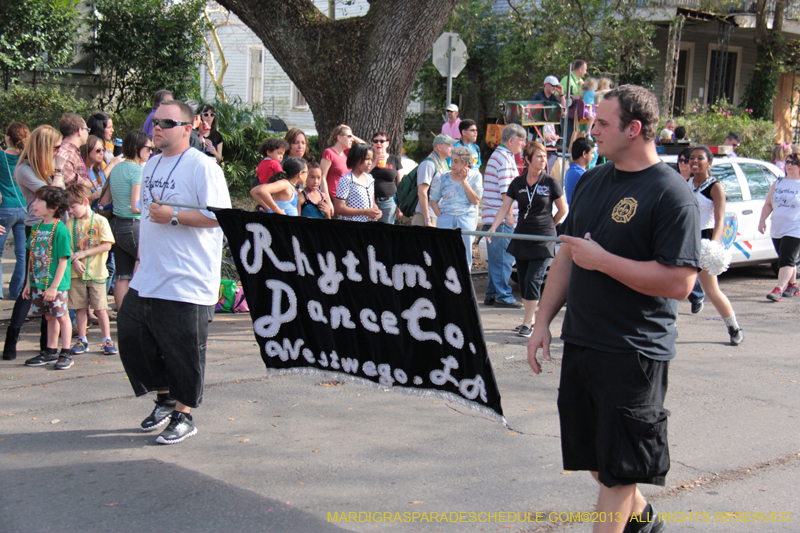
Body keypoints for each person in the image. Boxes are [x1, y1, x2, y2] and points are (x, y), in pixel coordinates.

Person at [528, 85, 701, 533]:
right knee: (596, 458)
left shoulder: (670, 193)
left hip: (633, 352)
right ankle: (644, 522)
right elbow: (567, 256)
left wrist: (604, 261)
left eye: (603, 124)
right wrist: (542, 321)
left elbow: (680, 282)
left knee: (618, 471)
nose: (593, 132)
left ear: (634, 128)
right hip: (583, 342)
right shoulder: (593, 180)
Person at [117, 99, 232, 445]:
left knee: (184, 351)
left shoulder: (203, 166)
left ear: (187, 127)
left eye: (167, 123)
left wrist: (175, 216)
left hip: (187, 277)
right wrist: (141, 257)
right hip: (150, 272)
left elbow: (221, 216)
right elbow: (146, 216)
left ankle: (184, 414)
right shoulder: (151, 164)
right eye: (156, 122)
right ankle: (166, 398)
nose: (158, 128)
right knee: (133, 337)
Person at [487, 142, 566, 337]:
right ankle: (528, 320)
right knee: (523, 280)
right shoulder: (517, 183)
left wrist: (550, 227)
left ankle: (529, 323)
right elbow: (505, 207)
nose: (543, 160)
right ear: (528, 160)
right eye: (539, 156)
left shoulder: (550, 182)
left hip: (543, 238)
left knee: (533, 279)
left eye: (545, 156)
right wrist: (493, 228)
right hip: (522, 236)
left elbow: (562, 209)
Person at [3, 125, 64, 361]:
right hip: (37, 229)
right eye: (55, 147)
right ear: (44, 147)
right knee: (31, 287)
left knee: (51, 286)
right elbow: (54, 196)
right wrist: (59, 170)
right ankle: (12, 339)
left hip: (56, 228)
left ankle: (47, 346)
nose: (58, 151)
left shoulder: (44, 167)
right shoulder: (24, 169)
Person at [689, 145, 744, 345]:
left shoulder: (715, 187)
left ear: (709, 162)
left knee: (711, 290)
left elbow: (720, 220)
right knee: (673, 286)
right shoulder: (686, 183)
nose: (694, 161)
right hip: (687, 239)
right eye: (692, 158)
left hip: (705, 239)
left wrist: (713, 245)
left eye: (700, 158)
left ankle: (733, 327)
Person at [100, 131, 152, 310]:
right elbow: (135, 206)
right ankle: (142, 313)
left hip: (116, 226)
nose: (151, 152)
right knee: (147, 266)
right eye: (148, 148)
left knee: (122, 275)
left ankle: (123, 316)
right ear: (137, 148)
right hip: (133, 226)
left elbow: (104, 201)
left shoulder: (116, 168)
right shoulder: (137, 171)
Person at [22, 186, 72, 369]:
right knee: (49, 316)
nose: (34, 204)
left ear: (53, 207)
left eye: (39, 200)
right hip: (38, 282)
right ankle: (50, 351)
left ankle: (66, 352)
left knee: (62, 316)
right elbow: (32, 256)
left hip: (55, 285)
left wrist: (54, 287)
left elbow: (63, 261)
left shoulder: (60, 230)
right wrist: (28, 282)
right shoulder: (36, 228)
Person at [66, 184, 116, 356]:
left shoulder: (100, 221)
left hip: (97, 273)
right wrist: (74, 261)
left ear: (85, 202)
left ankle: (107, 339)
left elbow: (107, 245)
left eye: (73, 207)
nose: (70, 211)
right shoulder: (70, 223)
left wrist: (84, 253)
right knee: (79, 308)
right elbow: (67, 246)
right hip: (76, 274)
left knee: (100, 308)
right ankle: (82, 339)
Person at [482, 124, 527, 309]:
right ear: (511, 140)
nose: (523, 144)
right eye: (521, 140)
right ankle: (502, 295)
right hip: (500, 218)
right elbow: (507, 193)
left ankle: (493, 293)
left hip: (492, 216)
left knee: (497, 259)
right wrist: (509, 216)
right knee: (503, 259)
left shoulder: (498, 156)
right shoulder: (505, 159)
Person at [429, 145, 483, 268]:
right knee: (444, 252)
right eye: (451, 160)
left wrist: (464, 181)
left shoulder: (475, 176)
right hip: (446, 217)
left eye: (456, 161)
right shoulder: (444, 177)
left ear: (466, 164)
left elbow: (475, 200)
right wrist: (441, 216)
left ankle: (465, 278)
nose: (452, 164)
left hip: (465, 217)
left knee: (465, 253)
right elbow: (433, 200)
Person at [759, 148, 800, 301]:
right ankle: (793, 285)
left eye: (794, 162)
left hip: (795, 227)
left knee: (786, 259)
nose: (790, 165)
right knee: (785, 257)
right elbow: (768, 204)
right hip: (778, 226)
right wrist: (762, 220)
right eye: (788, 162)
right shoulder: (779, 182)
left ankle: (779, 288)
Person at [0, 122, 30, 300]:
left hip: (4, 208)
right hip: (24, 207)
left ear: (8, 137)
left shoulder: (1, 157)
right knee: (22, 253)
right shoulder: (26, 157)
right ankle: (16, 291)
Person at [676, 147, 705, 314]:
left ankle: (697, 296)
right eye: (680, 160)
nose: (682, 164)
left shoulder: (699, 183)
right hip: (677, 227)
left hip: (697, 230)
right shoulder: (674, 180)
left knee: (687, 264)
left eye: (685, 161)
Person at [413, 134, 455, 227]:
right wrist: (427, 219)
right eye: (449, 145)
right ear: (439, 147)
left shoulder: (444, 163)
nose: (452, 148)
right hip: (427, 216)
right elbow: (422, 192)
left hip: (439, 215)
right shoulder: (428, 164)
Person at [334, 143, 382, 222]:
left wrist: (378, 212)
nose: (370, 162)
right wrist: (364, 212)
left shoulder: (370, 178)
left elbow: (372, 202)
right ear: (355, 159)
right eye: (367, 159)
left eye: (371, 159)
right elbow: (339, 208)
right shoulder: (347, 180)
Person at [321, 125, 364, 200]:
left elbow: (364, 148)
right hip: (334, 198)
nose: (352, 139)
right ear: (339, 138)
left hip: (346, 198)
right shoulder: (329, 152)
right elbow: (322, 177)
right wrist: (327, 200)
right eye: (349, 136)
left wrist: (352, 135)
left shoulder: (346, 153)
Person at [370, 131, 404, 224]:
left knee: (386, 230)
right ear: (372, 143)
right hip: (370, 201)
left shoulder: (394, 159)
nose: (378, 143)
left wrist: (400, 204)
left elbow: (400, 183)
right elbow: (362, 174)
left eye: (382, 141)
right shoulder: (369, 158)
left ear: (387, 143)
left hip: (389, 201)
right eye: (375, 141)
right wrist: (374, 162)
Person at [56, 113, 92, 188]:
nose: (88, 133)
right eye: (87, 129)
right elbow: (66, 176)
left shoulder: (71, 150)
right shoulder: (67, 152)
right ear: (79, 131)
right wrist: (86, 183)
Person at [564, 136, 594, 204]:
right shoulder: (579, 174)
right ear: (584, 154)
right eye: (591, 153)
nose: (593, 156)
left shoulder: (572, 171)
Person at [81, 135, 108, 202]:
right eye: (98, 150)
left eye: (103, 150)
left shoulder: (99, 172)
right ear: (88, 150)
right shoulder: (81, 172)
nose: (101, 153)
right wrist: (94, 196)